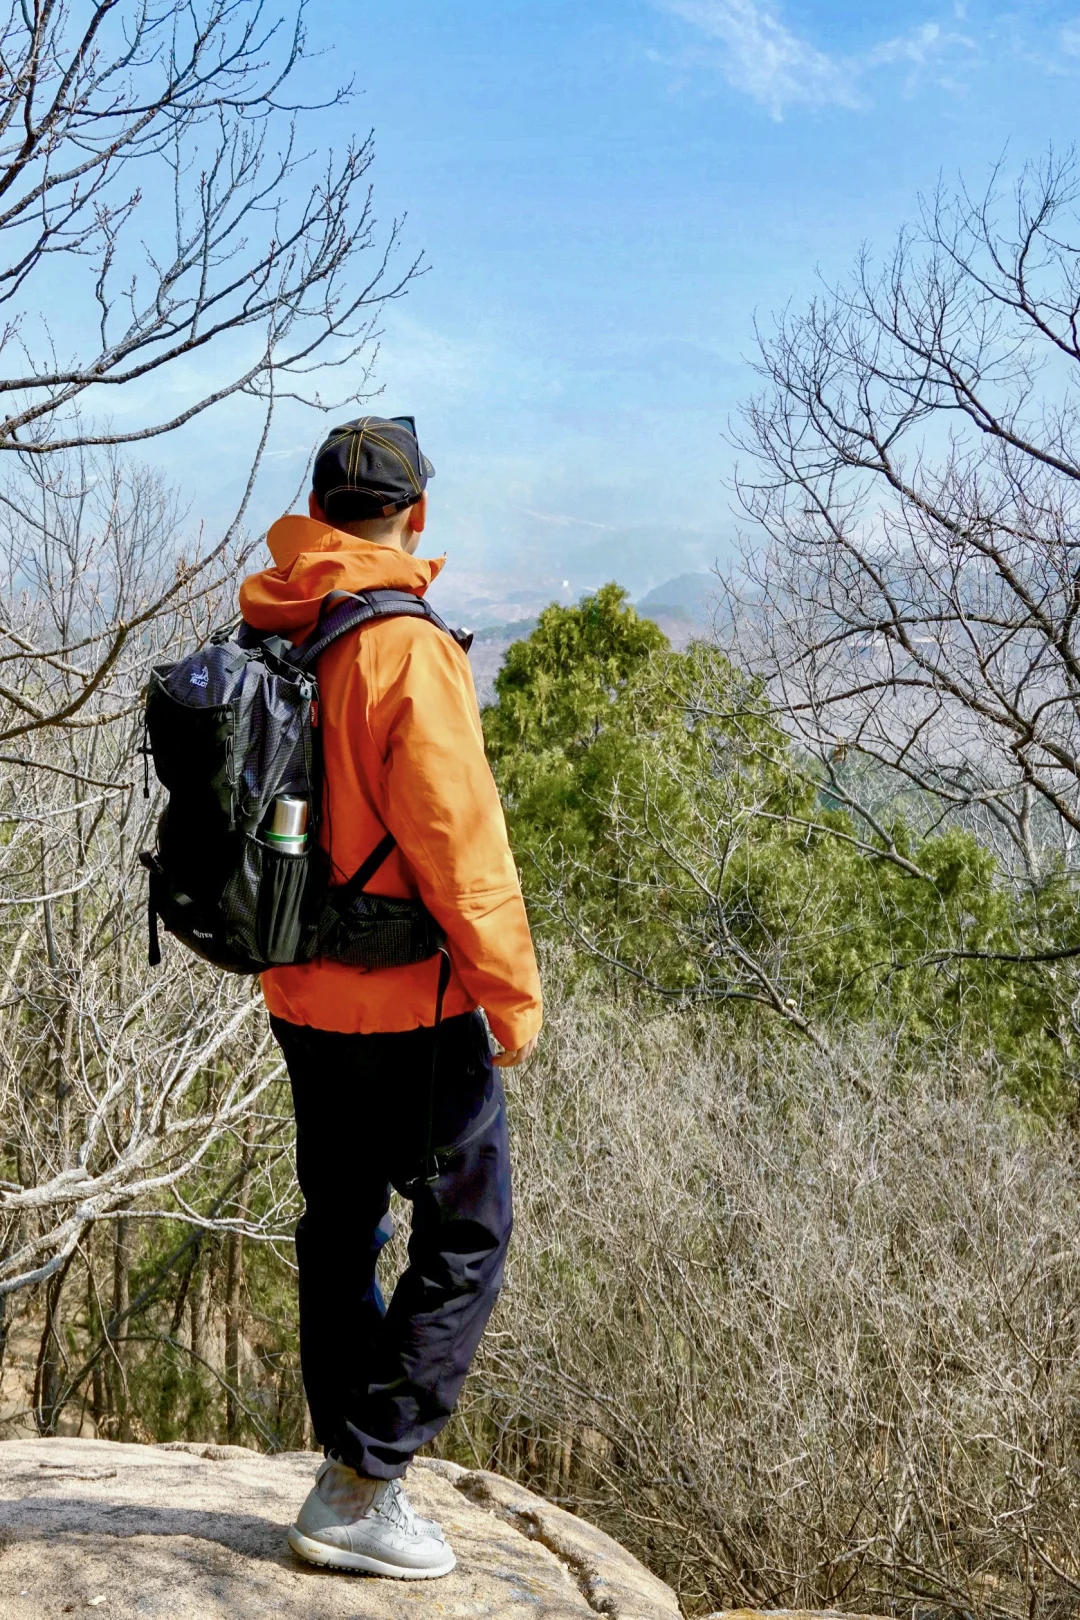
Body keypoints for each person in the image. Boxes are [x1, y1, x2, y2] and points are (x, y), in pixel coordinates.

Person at [238, 416, 542, 1579]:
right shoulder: (404, 647)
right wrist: (511, 993)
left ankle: (347, 1469)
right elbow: (461, 844)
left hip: (298, 988)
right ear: (415, 516)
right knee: (467, 1231)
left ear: (317, 512)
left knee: (340, 1225)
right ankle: (364, 1482)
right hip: (409, 1001)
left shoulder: (277, 623)